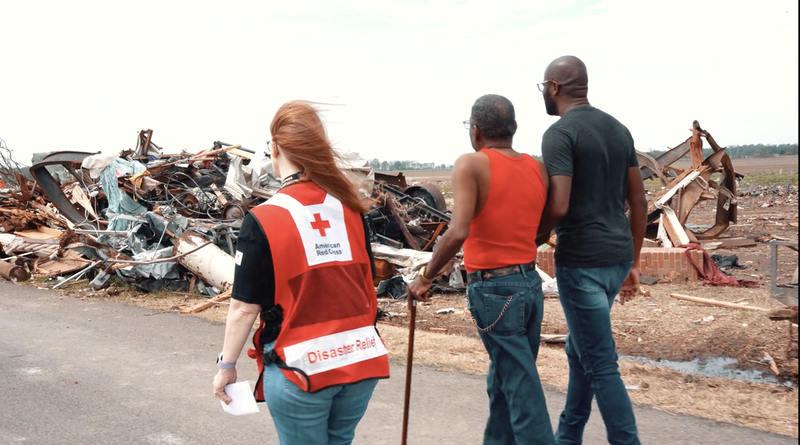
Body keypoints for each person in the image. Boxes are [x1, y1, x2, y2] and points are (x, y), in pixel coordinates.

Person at [212, 101, 390, 445]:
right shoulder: (351, 210)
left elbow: (243, 307)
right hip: (360, 360)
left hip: (301, 368)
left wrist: (226, 366)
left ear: (275, 149)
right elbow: (364, 281)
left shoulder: (264, 218)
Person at [408, 94, 556, 444]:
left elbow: (458, 231)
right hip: (529, 285)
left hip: (494, 291)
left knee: (521, 391)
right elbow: (544, 229)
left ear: (475, 131)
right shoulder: (537, 168)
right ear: (514, 129)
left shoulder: (471, 164)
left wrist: (426, 276)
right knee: (504, 382)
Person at [535, 55, 648, 445]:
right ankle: (567, 436)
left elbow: (559, 204)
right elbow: (640, 201)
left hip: (582, 263)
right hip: (616, 259)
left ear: (554, 87)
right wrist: (633, 263)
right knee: (579, 347)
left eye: (542, 88)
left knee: (601, 363)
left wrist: (532, 239)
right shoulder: (618, 129)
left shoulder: (559, 134)